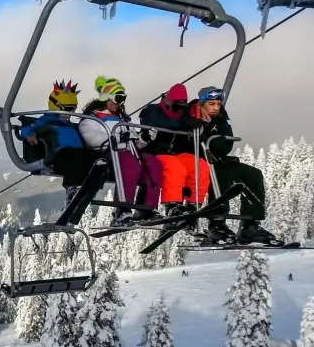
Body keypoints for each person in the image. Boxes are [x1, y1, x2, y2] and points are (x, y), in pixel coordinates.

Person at [193, 86, 278, 245]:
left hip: (217, 159)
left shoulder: (221, 120)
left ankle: (249, 225)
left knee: (253, 174)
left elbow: (224, 146)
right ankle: (216, 224)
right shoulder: (191, 117)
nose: (215, 108)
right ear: (202, 104)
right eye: (211, 104)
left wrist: (217, 127)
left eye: (218, 104)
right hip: (198, 161)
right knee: (220, 173)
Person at [77, 76, 163, 226]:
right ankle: (122, 210)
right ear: (107, 98)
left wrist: (143, 138)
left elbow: (134, 144)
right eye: (118, 98)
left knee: (152, 162)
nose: (120, 103)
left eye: (123, 99)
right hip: (106, 158)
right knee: (130, 161)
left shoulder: (122, 120)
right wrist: (118, 137)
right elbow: (93, 141)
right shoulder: (92, 119)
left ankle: (146, 208)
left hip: (126, 156)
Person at [19, 80, 98, 209]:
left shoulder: (70, 125)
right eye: (68, 109)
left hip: (79, 153)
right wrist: (30, 134)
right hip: (60, 153)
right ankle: (72, 189)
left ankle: (88, 188)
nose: (70, 112)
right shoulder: (48, 119)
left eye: (73, 109)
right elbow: (27, 128)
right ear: (56, 105)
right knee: (73, 155)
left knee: (92, 157)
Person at [139, 83, 210, 224]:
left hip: (175, 152)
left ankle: (193, 204)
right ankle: (172, 204)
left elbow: (187, 123)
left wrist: (195, 119)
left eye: (182, 106)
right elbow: (157, 123)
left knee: (200, 166)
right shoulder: (153, 110)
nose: (179, 109)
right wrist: (184, 124)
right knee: (175, 168)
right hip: (155, 151)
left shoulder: (182, 115)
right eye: (177, 105)